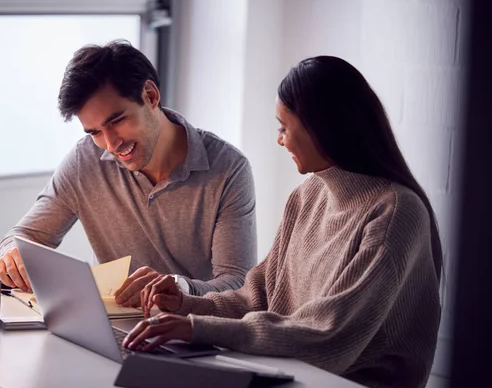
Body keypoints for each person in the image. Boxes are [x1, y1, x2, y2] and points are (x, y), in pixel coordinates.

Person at [123, 56, 442, 388]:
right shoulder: (306, 195)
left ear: (324, 126)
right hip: (290, 373)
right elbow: (257, 298)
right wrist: (186, 305)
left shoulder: (395, 212)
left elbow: (328, 338)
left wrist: (195, 328)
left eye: (283, 127)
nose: (280, 140)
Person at [0, 40, 257, 307]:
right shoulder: (85, 160)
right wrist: (13, 253)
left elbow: (237, 284)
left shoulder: (228, 169)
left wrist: (176, 287)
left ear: (151, 96)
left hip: (191, 331)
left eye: (117, 121)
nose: (111, 145)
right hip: (110, 329)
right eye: (95, 132)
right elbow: (23, 235)